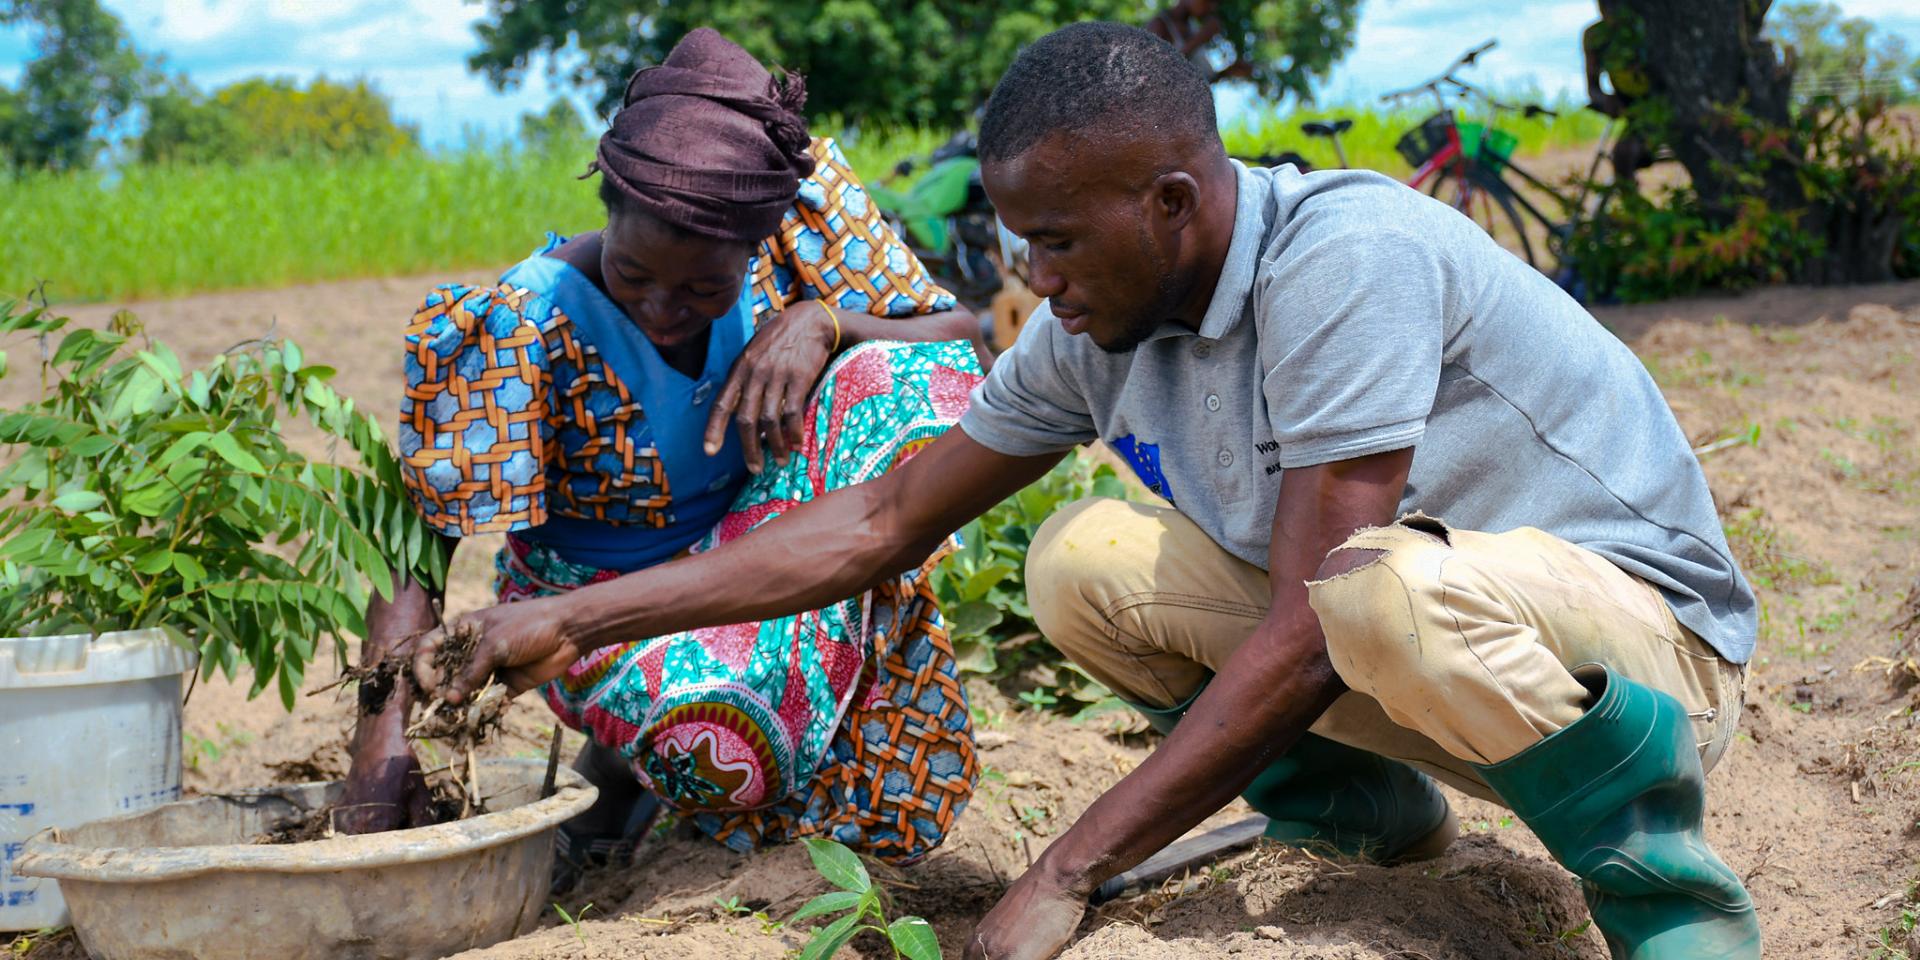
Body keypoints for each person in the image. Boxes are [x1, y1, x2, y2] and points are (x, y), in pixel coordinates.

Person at [408, 22, 1763, 960]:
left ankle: (1664, 885)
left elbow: (1309, 627)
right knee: (1084, 561)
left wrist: (1068, 867)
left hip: (1645, 659)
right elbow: (881, 523)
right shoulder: (1088, 325)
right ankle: (1361, 805)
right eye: (1019, 242)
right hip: (1434, 647)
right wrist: (580, 619)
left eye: (1058, 241)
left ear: (1172, 202)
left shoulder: (1347, 260)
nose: (1033, 280)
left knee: (1372, 587)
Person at [341, 27, 990, 883]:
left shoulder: (794, 230)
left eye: (702, 289)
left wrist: (824, 322)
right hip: (584, 608)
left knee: (901, 375)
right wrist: (380, 743)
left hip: (759, 553)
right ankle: (625, 763)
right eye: (636, 273)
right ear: (605, 209)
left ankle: (685, 769)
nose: (663, 307)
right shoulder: (521, 324)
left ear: (756, 245)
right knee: (722, 737)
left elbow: (956, 343)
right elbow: (417, 546)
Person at [1583, 0, 1658, 188]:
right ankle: (1634, 209)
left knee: (1626, 151)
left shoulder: (1647, 28)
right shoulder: (1595, 36)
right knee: (1623, 155)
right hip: (1631, 108)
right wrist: (1606, 99)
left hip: (1660, 105)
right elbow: (1593, 87)